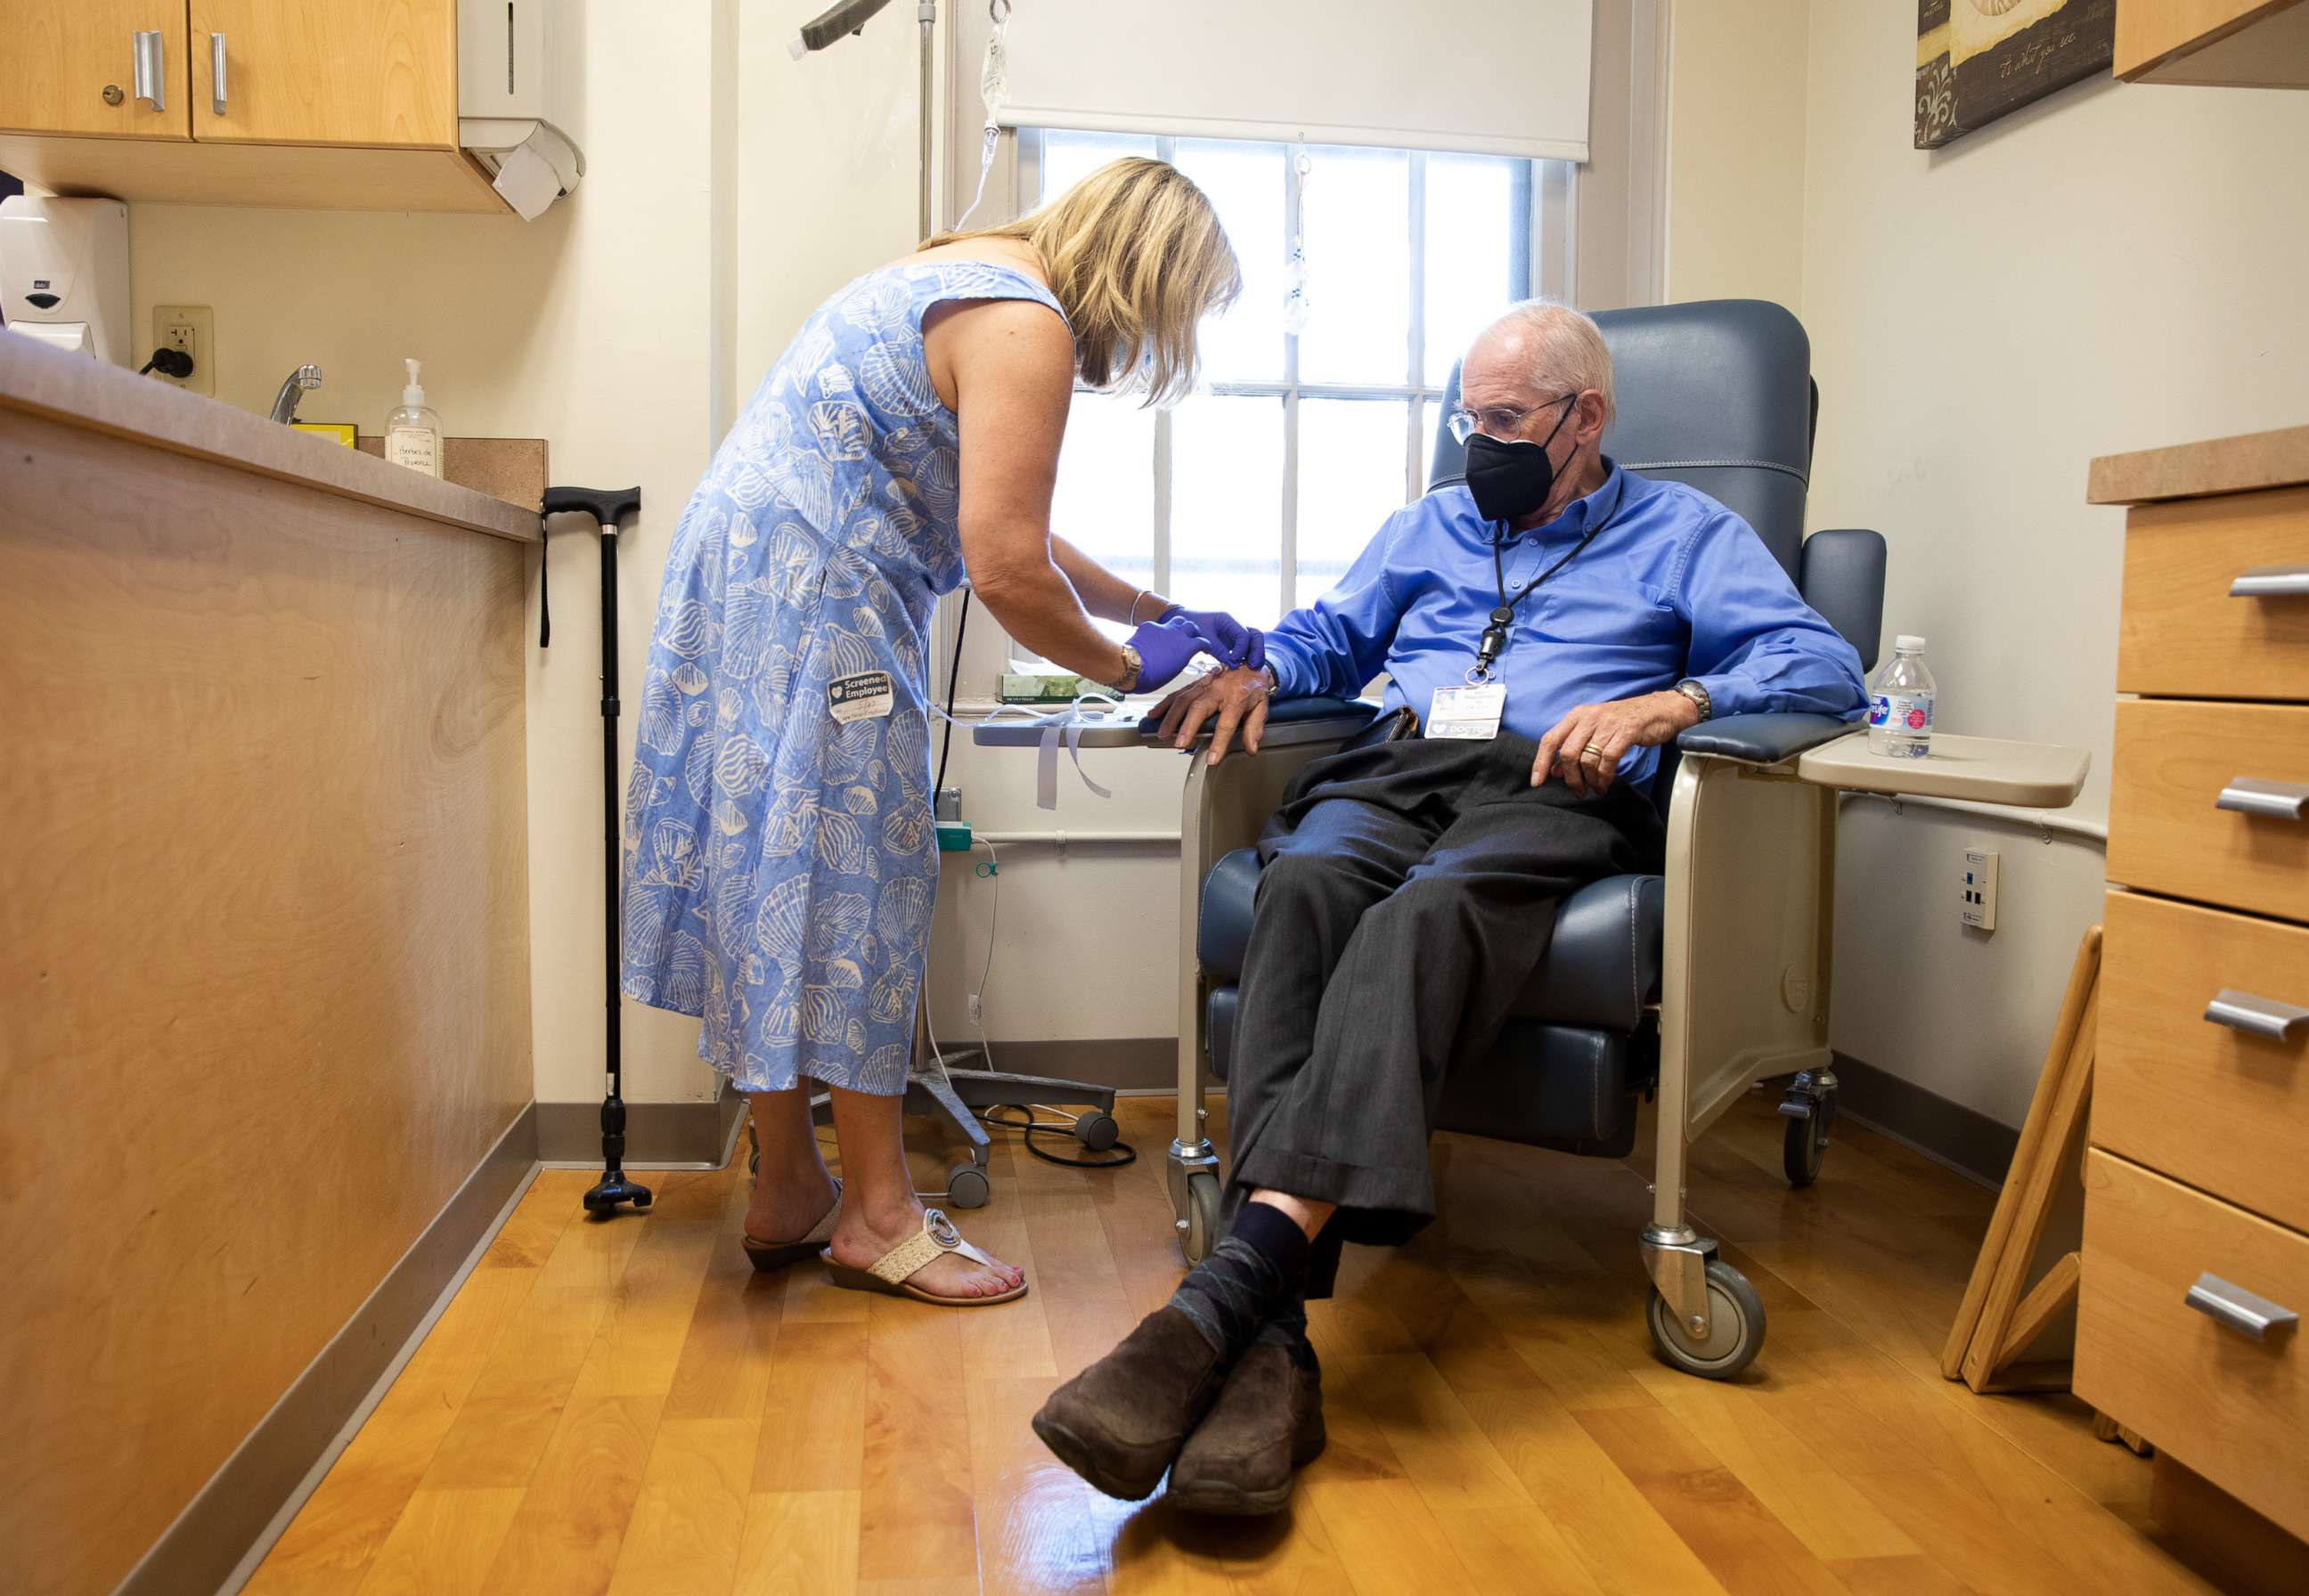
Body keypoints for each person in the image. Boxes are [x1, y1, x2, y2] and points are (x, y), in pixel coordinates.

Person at [1032, 299, 1866, 1506]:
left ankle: (1220, 1308)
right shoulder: (1425, 525)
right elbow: (1327, 641)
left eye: (1507, 418)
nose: (1479, 440)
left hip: (1550, 789)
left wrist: (1670, 705)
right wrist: (1257, 669)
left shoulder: (1687, 533)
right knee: (1307, 881)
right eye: (1466, 417)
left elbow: (1821, 664)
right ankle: (1265, 1343)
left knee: (1426, 913)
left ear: (1588, 418)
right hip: (1397, 764)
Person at [620, 159, 1260, 1307]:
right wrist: (1127, 673)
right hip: (823, 601)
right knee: (862, 878)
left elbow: (1016, 527)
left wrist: (1152, 613)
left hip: (742, 578)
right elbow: (1004, 562)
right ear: (1147, 279)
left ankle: (790, 1187)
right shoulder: (1029, 326)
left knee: (775, 868)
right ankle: (879, 1219)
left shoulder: (956, 278)